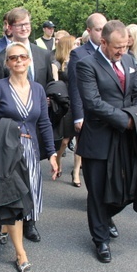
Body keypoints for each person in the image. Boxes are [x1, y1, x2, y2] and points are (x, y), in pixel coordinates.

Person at [0, 42, 58, 272]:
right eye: (13, 58)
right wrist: (8, 128)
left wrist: (51, 153)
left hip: (30, 153)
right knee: (15, 200)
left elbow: (43, 122)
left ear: (29, 60)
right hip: (7, 152)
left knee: (26, 197)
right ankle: (21, 253)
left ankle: (5, 225)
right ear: (7, 63)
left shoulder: (38, 89)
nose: (19, 61)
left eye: (23, 57)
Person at [76, 20, 137, 264]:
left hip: (126, 137)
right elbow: (93, 103)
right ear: (103, 42)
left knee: (131, 187)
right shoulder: (87, 65)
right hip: (99, 139)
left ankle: (104, 217)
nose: (122, 52)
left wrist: (133, 117)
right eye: (117, 47)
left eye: (125, 47)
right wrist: (125, 121)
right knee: (97, 192)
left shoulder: (128, 62)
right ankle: (100, 239)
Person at [0, 7, 55, 242]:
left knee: (33, 179)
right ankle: (7, 222)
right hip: (9, 132)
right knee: (11, 182)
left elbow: (47, 90)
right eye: (19, 25)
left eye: (28, 23)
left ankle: (30, 223)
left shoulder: (43, 54)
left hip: (34, 124)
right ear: (11, 27)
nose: (25, 28)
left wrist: (52, 150)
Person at [67, 13, 118, 237]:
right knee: (96, 174)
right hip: (91, 119)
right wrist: (79, 117)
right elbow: (76, 88)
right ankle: (100, 221)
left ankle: (106, 215)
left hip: (114, 123)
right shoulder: (79, 54)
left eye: (104, 28)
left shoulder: (119, 54)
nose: (102, 32)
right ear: (89, 31)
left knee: (115, 175)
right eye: (98, 29)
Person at [54, 35, 81, 186]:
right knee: (64, 141)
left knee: (80, 141)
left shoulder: (80, 61)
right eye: (75, 44)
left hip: (79, 103)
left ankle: (76, 172)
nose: (78, 46)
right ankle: (58, 160)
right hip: (66, 104)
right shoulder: (58, 64)